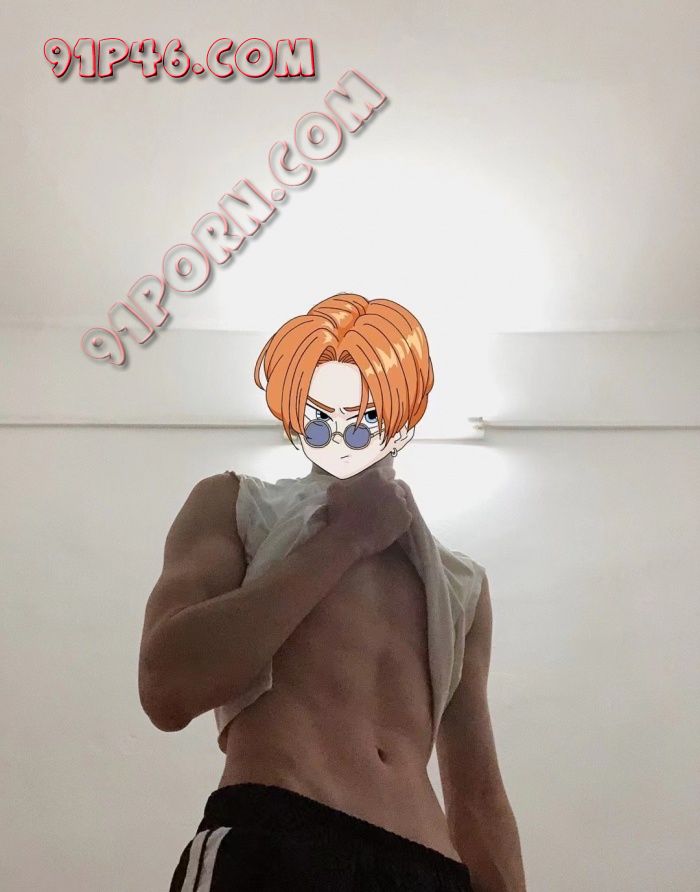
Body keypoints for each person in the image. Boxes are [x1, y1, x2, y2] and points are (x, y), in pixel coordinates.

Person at [138, 294, 526, 890]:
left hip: (428, 870)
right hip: (278, 839)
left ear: (404, 415)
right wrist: (345, 539)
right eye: (320, 418)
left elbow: (478, 795)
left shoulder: (459, 582)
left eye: (366, 415)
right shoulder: (237, 505)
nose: (343, 435)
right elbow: (167, 686)